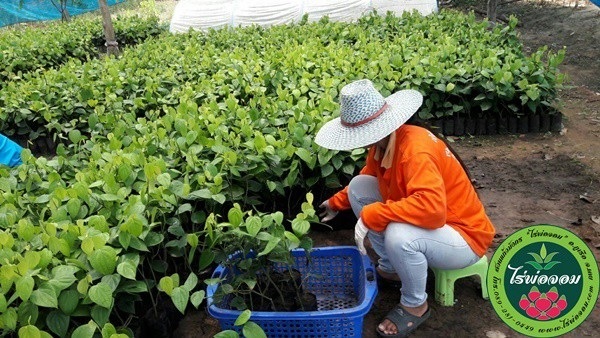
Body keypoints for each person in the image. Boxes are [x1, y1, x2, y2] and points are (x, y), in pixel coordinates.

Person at [315, 79, 495, 337]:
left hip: (464, 237)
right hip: (440, 226)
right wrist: (336, 202)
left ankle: (415, 304)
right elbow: (370, 177)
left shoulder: (415, 151)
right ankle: (393, 268)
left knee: (399, 235)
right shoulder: (385, 143)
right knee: (359, 187)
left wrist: (373, 214)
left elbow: (433, 210)